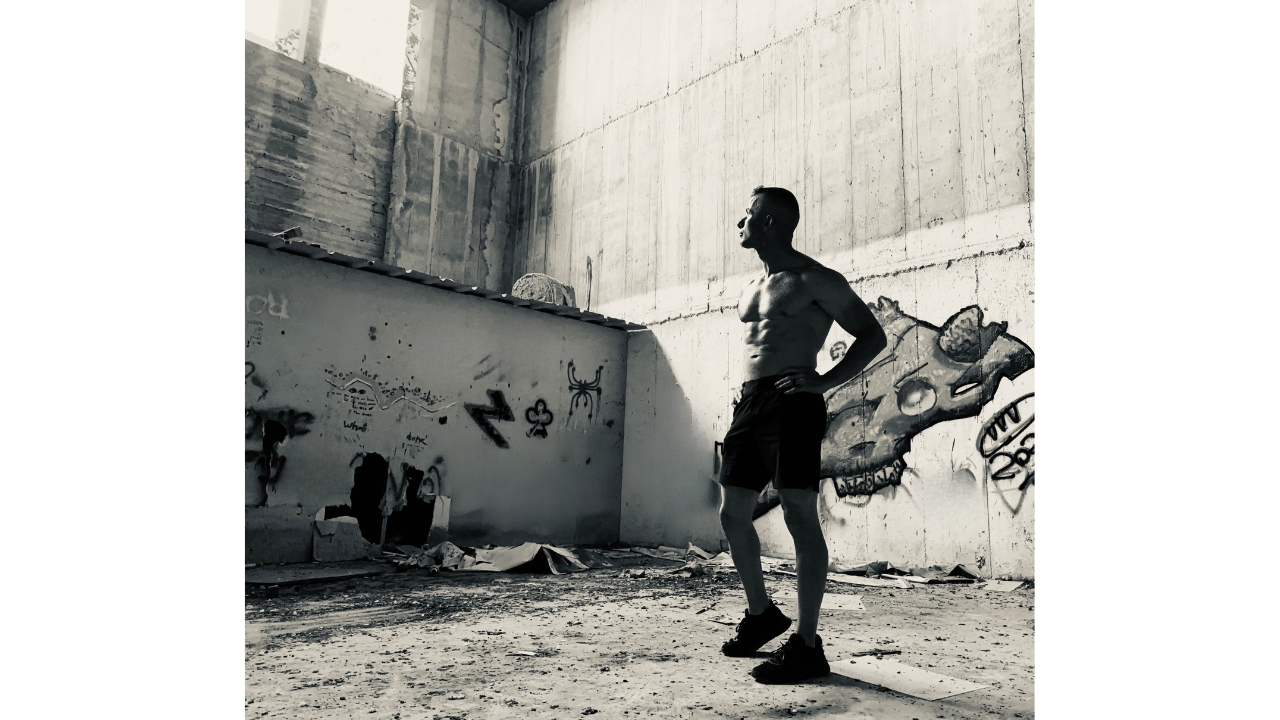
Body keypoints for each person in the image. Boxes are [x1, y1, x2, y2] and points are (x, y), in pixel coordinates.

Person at [717, 186, 888, 684]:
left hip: (793, 404)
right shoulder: (753, 286)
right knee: (732, 514)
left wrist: (824, 381)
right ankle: (761, 615)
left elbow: (872, 335)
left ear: (769, 221)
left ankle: (808, 645)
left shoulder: (816, 280)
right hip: (751, 403)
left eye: (747, 214)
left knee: (798, 515)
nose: (740, 223)